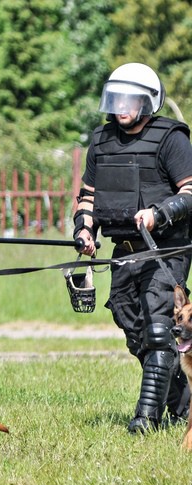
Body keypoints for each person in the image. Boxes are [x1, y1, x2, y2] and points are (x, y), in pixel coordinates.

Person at [74, 63, 192, 434]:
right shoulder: (101, 141)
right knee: (136, 332)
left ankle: (145, 420)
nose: (121, 106)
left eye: (130, 99)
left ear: (147, 101)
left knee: (159, 331)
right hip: (123, 251)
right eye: (117, 98)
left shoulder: (172, 138)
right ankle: (185, 406)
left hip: (165, 250)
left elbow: (190, 192)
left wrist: (159, 213)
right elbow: (87, 197)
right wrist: (85, 230)